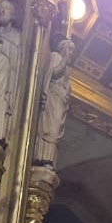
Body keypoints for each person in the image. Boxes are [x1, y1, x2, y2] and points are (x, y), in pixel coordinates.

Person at [34, 38, 75, 166]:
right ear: (63, 48)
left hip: (60, 101)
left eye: (72, 51)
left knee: (55, 131)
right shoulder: (56, 56)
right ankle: (41, 157)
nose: (71, 53)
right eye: (69, 49)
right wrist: (65, 60)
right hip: (53, 98)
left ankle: (49, 160)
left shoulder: (67, 66)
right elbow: (55, 72)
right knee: (49, 129)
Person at [0, 0, 22, 144]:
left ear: (13, 14)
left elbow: (18, 57)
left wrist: (3, 44)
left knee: (0, 103)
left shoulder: (17, 35)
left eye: (5, 9)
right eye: (0, 8)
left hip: (5, 76)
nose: (2, 11)